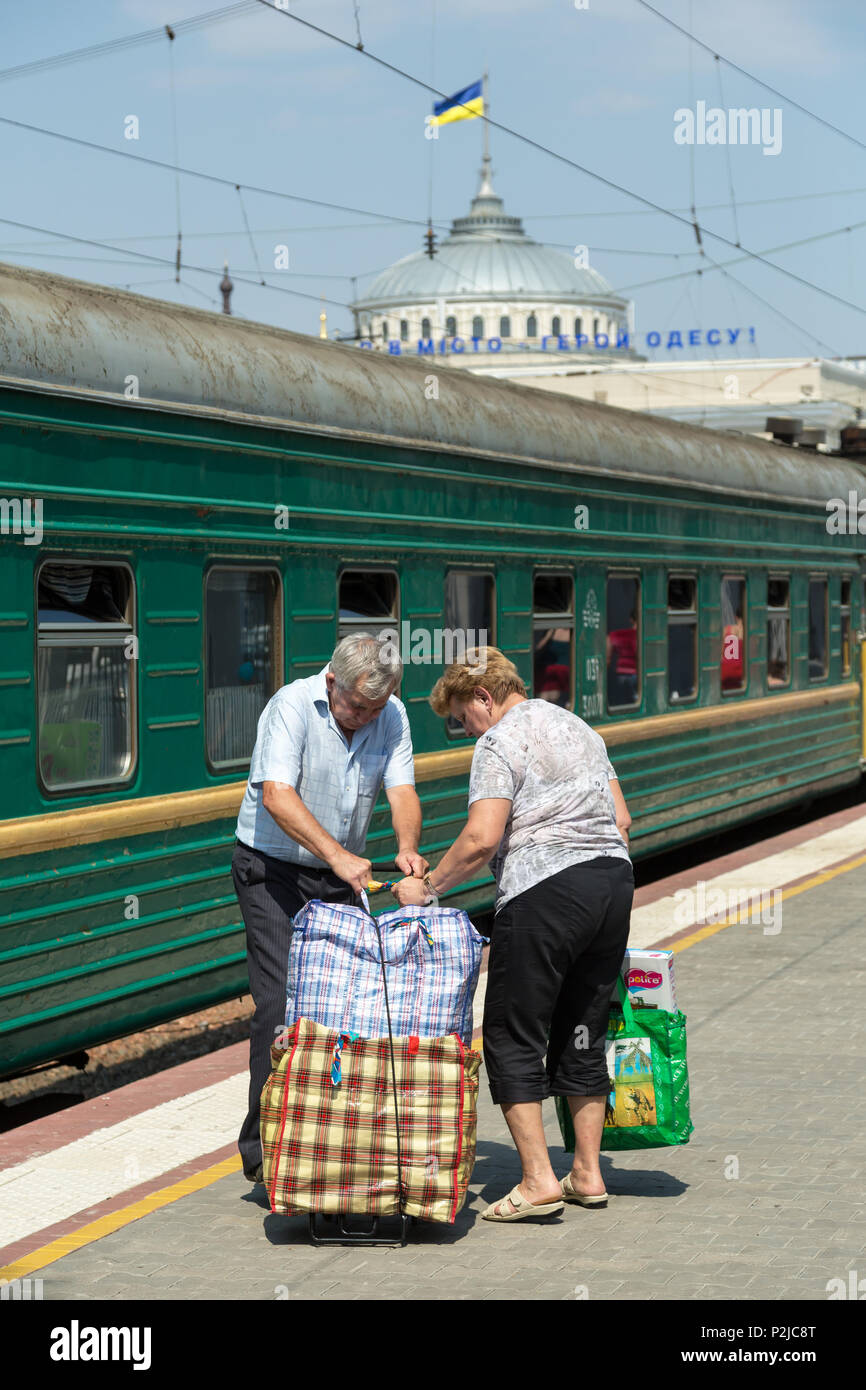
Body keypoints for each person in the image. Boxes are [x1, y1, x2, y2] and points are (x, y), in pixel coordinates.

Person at [393, 647, 633, 1222]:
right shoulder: (579, 727)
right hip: (611, 884)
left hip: (544, 892)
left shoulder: (498, 742)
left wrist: (429, 889)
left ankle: (537, 1181)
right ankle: (587, 1173)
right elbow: (621, 819)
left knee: (510, 1030)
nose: (463, 728)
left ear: (484, 696)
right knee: (582, 1026)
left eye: (461, 716)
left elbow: (481, 837)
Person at [233, 632, 428, 1183]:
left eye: (375, 708)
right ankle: (265, 1153)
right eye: (356, 707)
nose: (365, 717)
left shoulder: (390, 713)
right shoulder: (291, 706)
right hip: (273, 871)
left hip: (339, 872)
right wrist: (340, 855)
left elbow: (403, 790)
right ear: (332, 680)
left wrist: (407, 846)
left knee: (347, 1006)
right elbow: (277, 795)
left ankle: (331, 1135)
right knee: (281, 1005)